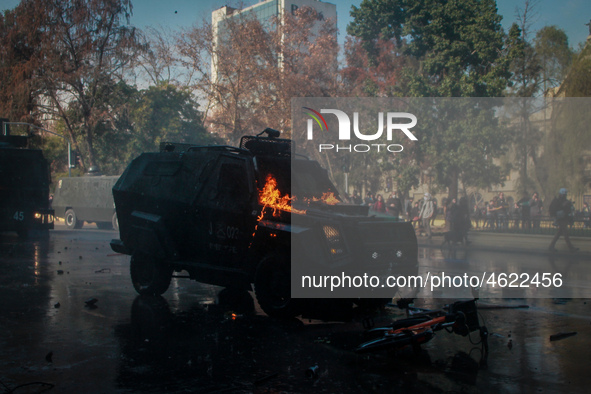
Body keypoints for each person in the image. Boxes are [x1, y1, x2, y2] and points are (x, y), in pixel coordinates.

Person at [548, 188, 578, 252]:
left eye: (565, 195)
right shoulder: (557, 201)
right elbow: (555, 209)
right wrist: (563, 205)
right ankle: (571, 247)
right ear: (560, 194)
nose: (564, 196)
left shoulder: (565, 201)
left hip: (564, 218)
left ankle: (551, 246)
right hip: (559, 219)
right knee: (565, 233)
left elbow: (568, 210)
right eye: (563, 194)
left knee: (559, 233)